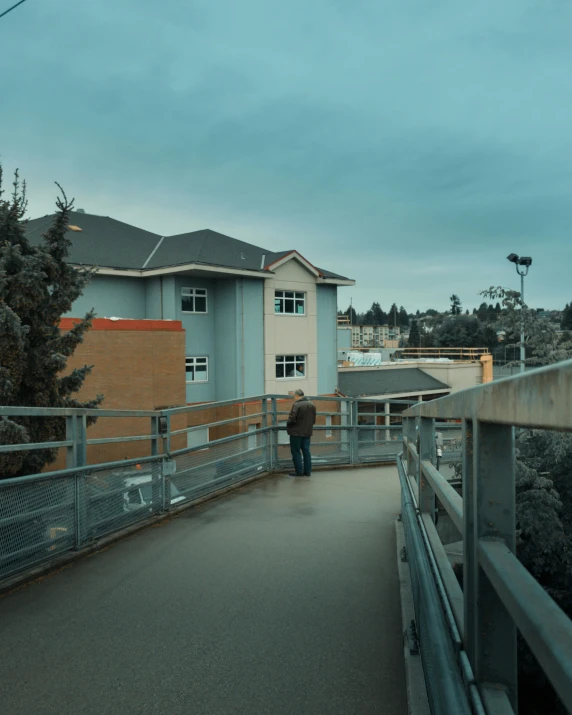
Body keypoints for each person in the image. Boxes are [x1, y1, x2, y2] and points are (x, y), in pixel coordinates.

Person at [286, 389, 316, 477]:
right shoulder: (311, 404)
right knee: (306, 451)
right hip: (307, 432)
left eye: (294, 396)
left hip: (296, 432)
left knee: (296, 452)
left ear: (297, 396)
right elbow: (313, 420)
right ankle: (308, 471)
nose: (293, 398)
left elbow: (291, 419)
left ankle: (299, 472)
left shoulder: (296, 405)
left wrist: (288, 426)